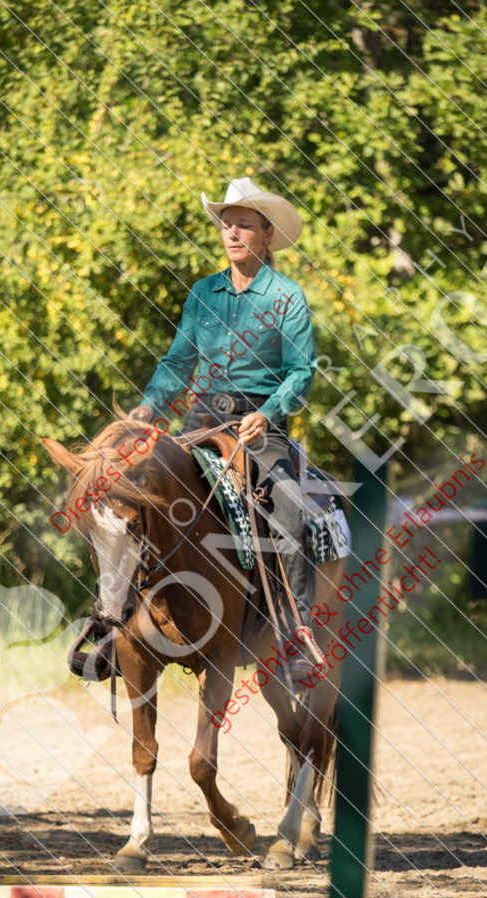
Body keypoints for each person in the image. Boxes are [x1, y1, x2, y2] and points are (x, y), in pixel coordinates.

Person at [129, 177, 323, 684]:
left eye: (244, 225)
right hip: (199, 421)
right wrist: (150, 405)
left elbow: (301, 372)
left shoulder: (287, 296)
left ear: (266, 234)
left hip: (259, 425)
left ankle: (296, 633)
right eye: (226, 224)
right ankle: (116, 622)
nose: (231, 233)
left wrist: (269, 413)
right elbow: (178, 361)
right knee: (134, 493)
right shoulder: (203, 293)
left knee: (288, 507)